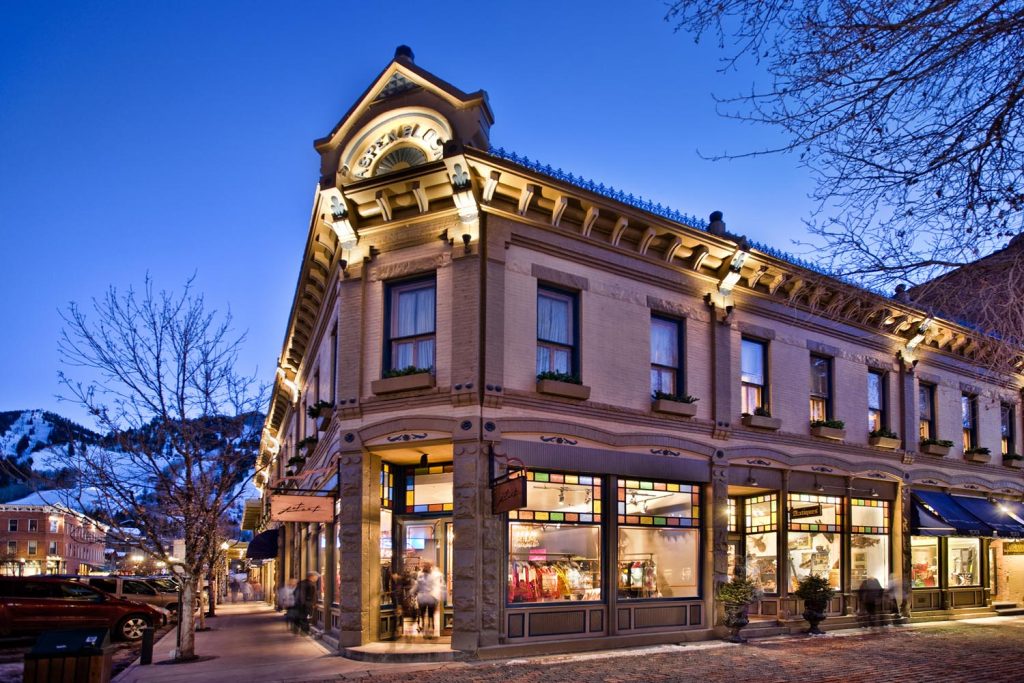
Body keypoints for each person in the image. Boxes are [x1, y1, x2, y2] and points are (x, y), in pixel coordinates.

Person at [415, 563, 442, 639]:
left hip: (430, 597)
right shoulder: (421, 574)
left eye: (426, 566)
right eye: (425, 566)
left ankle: (430, 628)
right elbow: (418, 585)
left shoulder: (434, 575)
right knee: (424, 614)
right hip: (424, 597)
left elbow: (436, 586)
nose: (425, 567)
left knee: (430, 614)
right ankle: (425, 627)